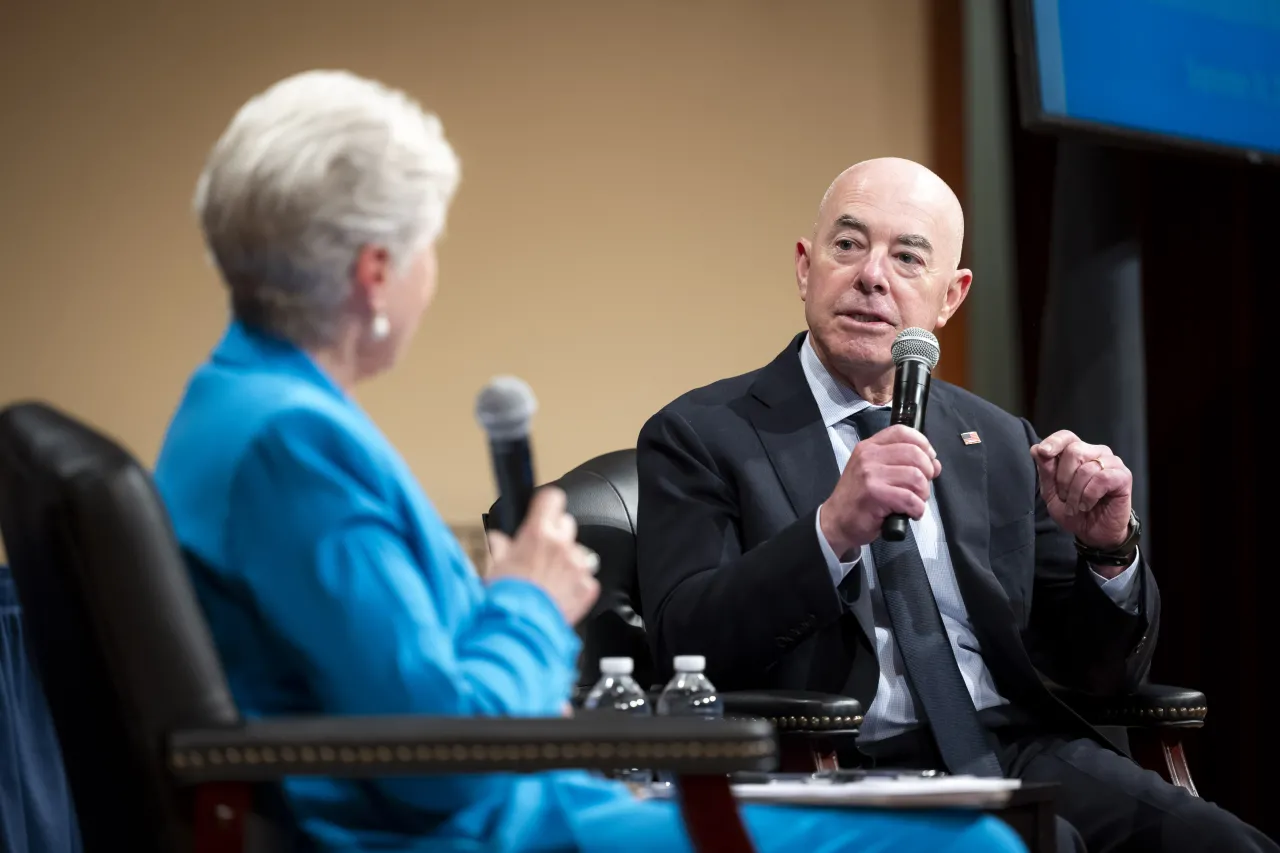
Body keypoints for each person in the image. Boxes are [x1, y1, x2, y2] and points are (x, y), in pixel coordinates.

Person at [152, 72, 1022, 853]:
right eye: (428, 246)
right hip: (493, 824)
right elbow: (437, 757)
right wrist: (530, 603)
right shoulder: (295, 446)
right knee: (972, 845)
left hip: (520, 799)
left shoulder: (229, 406)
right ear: (378, 270)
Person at [635, 156, 1277, 852]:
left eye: (908, 257)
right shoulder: (702, 434)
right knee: (1044, 844)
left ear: (950, 296)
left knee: (1227, 846)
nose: (872, 275)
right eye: (848, 245)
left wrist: (1108, 551)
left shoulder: (998, 441)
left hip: (1011, 748)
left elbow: (1104, 673)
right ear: (804, 267)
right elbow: (684, 641)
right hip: (838, 765)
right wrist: (831, 530)